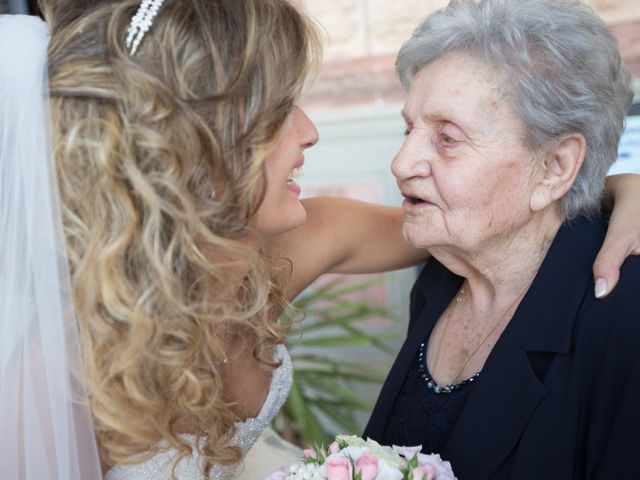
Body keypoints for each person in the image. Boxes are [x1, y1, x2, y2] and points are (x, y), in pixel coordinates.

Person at [0, 0, 639, 479]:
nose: (309, 131)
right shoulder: (56, 370)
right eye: (280, 111)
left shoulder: (317, 243)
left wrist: (615, 186)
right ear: (195, 152)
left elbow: (491, 219)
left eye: (444, 135)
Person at [363, 0, 640, 478]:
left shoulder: (622, 316)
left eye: (447, 138)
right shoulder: (440, 277)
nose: (401, 163)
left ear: (554, 168)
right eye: (409, 128)